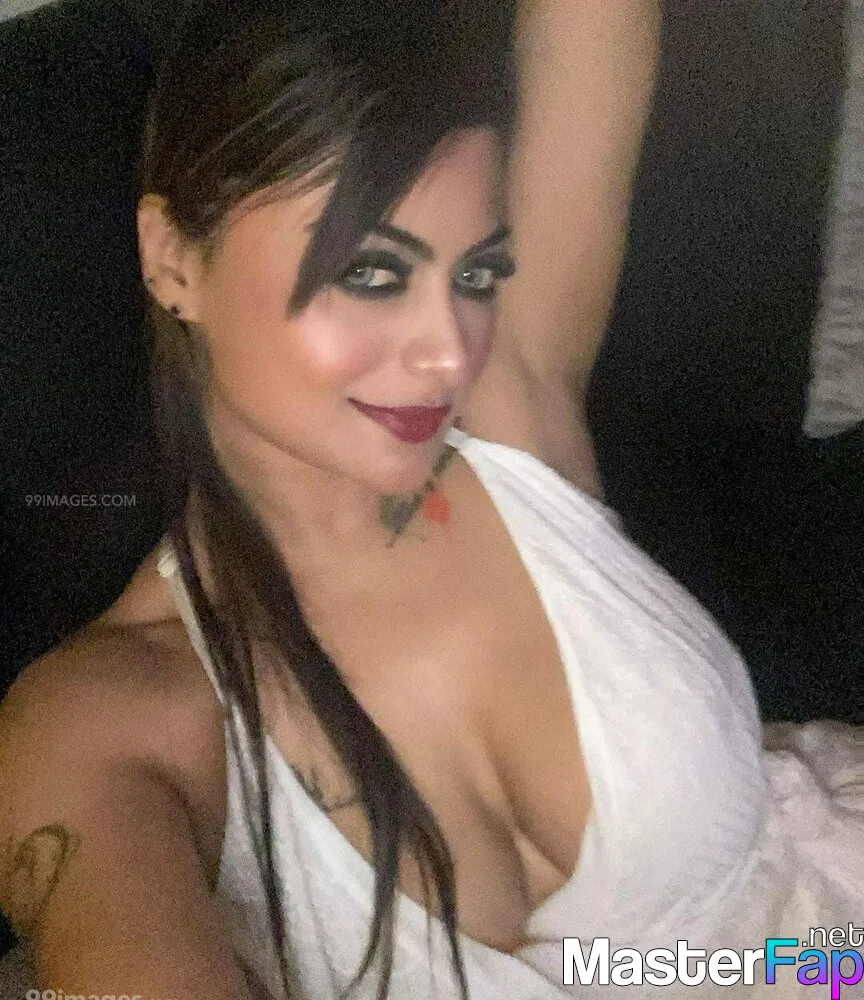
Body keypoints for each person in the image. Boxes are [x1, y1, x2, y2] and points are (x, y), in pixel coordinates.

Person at [0, 0, 861, 998]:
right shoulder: (108, 718)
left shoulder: (512, 413)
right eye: (373, 272)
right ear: (171, 258)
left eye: (477, 273)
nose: (451, 351)